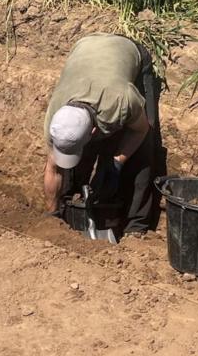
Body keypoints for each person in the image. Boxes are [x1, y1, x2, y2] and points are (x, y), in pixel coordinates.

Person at [42, 33, 162, 235]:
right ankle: (70, 206)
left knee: (146, 144)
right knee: (69, 160)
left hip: (126, 51)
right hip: (85, 45)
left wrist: (118, 161)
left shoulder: (121, 100)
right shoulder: (55, 117)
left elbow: (140, 130)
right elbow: (53, 169)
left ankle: (136, 226)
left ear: (93, 130)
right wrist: (51, 215)